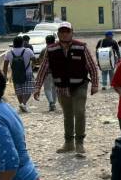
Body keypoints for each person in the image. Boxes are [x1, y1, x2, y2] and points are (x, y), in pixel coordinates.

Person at [33, 21, 99, 154]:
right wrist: (37, 87)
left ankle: (79, 142)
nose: (64, 34)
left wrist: (95, 84)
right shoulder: (51, 50)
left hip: (80, 85)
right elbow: (43, 69)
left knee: (79, 112)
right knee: (68, 115)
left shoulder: (81, 47)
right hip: (62, 87)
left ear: (72, 33)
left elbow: (92, 65)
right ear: (58, 34)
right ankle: (69, 143)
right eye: (61, 31)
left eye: (67, 31)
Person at [3, 36, 35, 113]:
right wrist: (32, 64)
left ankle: (21, 105)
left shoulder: (9, 53)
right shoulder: (28, 51)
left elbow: (5, 66)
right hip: (28, 73)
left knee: (18, 90)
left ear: (13, 43)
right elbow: (34, 59)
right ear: (22, 43)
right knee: (29, 89)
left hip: (15, 74)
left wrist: (5, 76)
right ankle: (23, 104)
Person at [40, 34, 57, 111]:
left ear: (46, 41)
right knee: (55, 87)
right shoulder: (58, 49)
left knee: (47, 88)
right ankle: (54, 103)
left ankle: (51, 102)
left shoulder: (44, 50)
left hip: (47, 72)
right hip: (57, 72)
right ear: (54, 41)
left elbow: (41, 61)